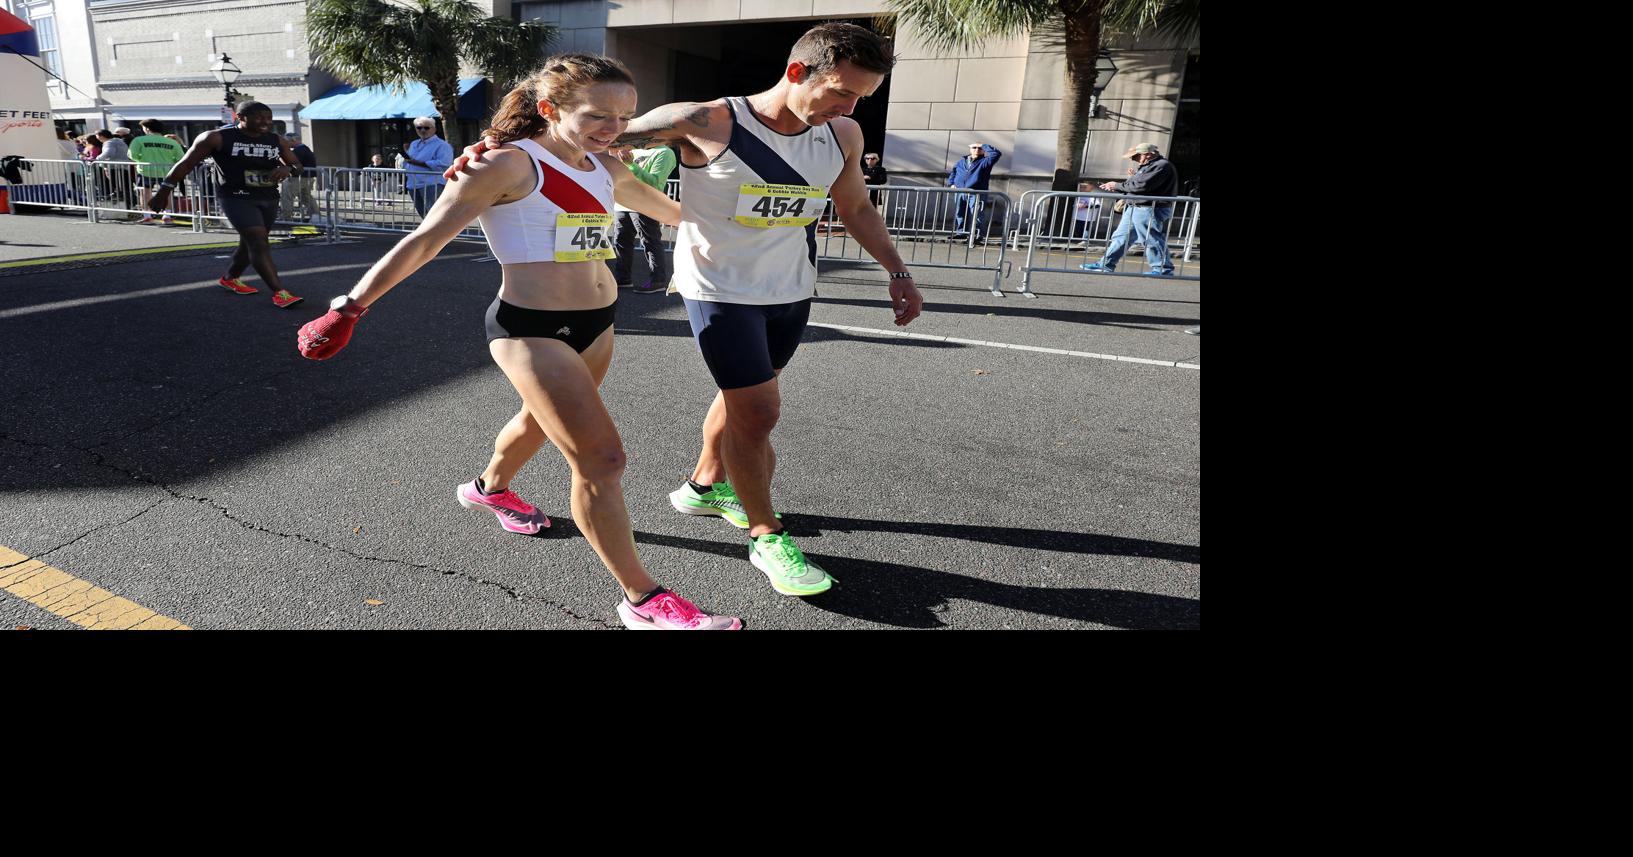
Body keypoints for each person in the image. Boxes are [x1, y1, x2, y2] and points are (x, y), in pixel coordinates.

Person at [450, 22, 923, 599]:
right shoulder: (704, 120)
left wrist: (897, 271)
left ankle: (703, 485)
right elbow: (584, 135)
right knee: (760, 412)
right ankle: (766, 534)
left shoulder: (843, 134)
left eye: (860, 99)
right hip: (719, 290)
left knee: (743, 400)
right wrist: (493, 149)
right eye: (841, 92)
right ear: (798, 72)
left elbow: (855, 206)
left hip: (791, 289)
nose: (850, 107)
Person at [298, 55, 737, 631]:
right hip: (531, 329)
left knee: (537, 420)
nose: (614, 127)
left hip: (598, 321)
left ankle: (488, 489)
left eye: (625, 115)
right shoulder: (503, 165)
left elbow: (660, 206)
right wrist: (349, 307)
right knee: (602, 459)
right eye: (598, 114)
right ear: (550, 109)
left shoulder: (601, 163)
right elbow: (426, 239)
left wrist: (738, 232)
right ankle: (643, 600)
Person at [148, 101, 305, 307]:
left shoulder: (276, 140)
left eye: (268, 118)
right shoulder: (217, 137)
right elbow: (186, 163)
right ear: (240, 118)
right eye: (259, 117)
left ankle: (230, 278)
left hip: (267, 197)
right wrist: (164, 190)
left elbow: (297, 165)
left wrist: (289, 170)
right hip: (235, 197)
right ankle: (280, 292)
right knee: (258, 241)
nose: (266, 122)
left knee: (251, 242)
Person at [1079, 142, 1179, 276]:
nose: (1133, 159)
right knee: (1121, 237)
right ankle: (1105, 264)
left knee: (1150, 238)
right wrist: (1120, 186)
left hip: (1148, 208)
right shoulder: (1151, 165)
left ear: (1148, 155)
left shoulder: (1161, 166)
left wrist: (1116, 185)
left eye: (1136, 157)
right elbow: (1136, 185)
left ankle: (1163, 269)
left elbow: (1141, 186)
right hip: (1138, 207)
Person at [608, 145, 675, 294]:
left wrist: (631, 164)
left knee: (650, 242)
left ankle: (657, 281)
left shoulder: (664, 152)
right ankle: (622, 279)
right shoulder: (632, 149)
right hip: (623, 203)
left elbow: (655, 183)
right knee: (620, 243)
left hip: (645, 204)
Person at [129, 119, 186, 224]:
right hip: (167, 171)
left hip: (145, 170)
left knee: (145, 193)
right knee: (167, 193)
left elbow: (133, 155)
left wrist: (142, 159)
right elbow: (180, 158)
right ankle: (167, 215)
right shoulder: (171, 142)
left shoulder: (139, 140)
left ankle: (147, 216)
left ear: (146, 128)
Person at [946, 141, 1000, 240]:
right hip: (960, 191)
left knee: (977, 214)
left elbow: (996, 154)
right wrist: (952, 183)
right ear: (970, 149)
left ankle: (977, 235)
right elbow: (954, 172)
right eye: (974, 147)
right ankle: (961, 232)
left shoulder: (985, 161)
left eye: (979, 148)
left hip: (976, 192)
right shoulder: (962, 161)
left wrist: (983, 145)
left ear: (983, 151)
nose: (977, 150)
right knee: (960, 213)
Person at [402, 117, 453, 218]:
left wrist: (418, 163)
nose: (422, 130)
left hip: (432, 184)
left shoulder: (442, 145)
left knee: (436, 216)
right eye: (419, 128)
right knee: (424, 216)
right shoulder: (414, 143)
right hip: (413, 184)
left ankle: (441, 234)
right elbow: (410, 161)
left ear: (434, 129)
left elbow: (444, 164)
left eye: (426, 127)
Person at [278, 132, 320, 222]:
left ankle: (286, 217)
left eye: (287, 141)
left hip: (298, 178)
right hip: (308, 177)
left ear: (293, 140)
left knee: (287, 196)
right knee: (306, 197)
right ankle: (316, 215)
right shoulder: (305, 149)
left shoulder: (298, 151)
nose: (285, 144)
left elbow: (290, 163)